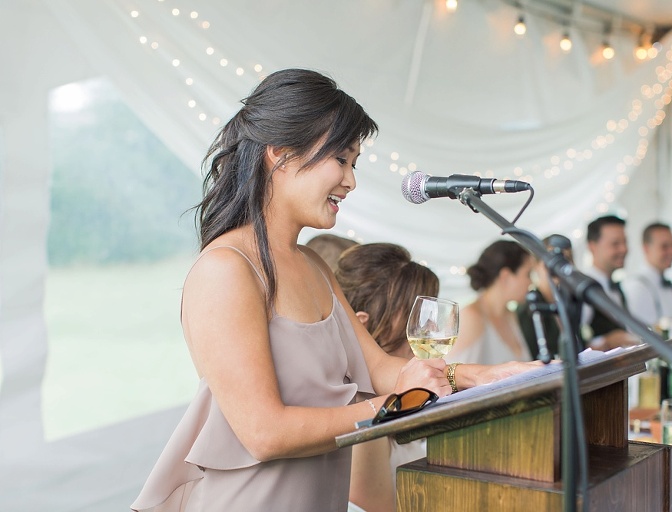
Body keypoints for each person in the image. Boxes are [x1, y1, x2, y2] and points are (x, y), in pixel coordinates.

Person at [130, 68, 541, 512]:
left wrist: (484, 376)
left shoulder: (313, 266)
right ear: (281, 155)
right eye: (341, 160)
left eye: (353, 163)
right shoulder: (225, 270)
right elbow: (264, 433)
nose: (351, 181)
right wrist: (395, 407)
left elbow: (383, 368)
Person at [335, 242, 438, 512]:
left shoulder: (410, 388)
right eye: (414, 316)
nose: (430, 328)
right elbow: (374, 507)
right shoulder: (362, 401)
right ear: (363, 323)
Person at [449, 240, 536, 365]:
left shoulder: (511, 315)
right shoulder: (470, 317)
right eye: (528, 274)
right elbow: (454, 377)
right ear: (505, 276)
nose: (531, 282)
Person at [581, 215, 638, 350]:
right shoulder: (582, 289)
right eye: (615, 244)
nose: (624, 249)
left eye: (625, 242)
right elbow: (575, 345)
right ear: (592, 247)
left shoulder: (617, 288)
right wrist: (606, 341)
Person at [622, 223, 672, 334]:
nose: (671, 251)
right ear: (646, 249)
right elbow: (641, 335)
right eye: (664, 246)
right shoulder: (637, 288)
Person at [517, 234, 574, 360]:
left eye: (566, 259)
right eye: (551, 260)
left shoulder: (570, 301)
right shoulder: (528, 308)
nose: (558, 267)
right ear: (536, 265)